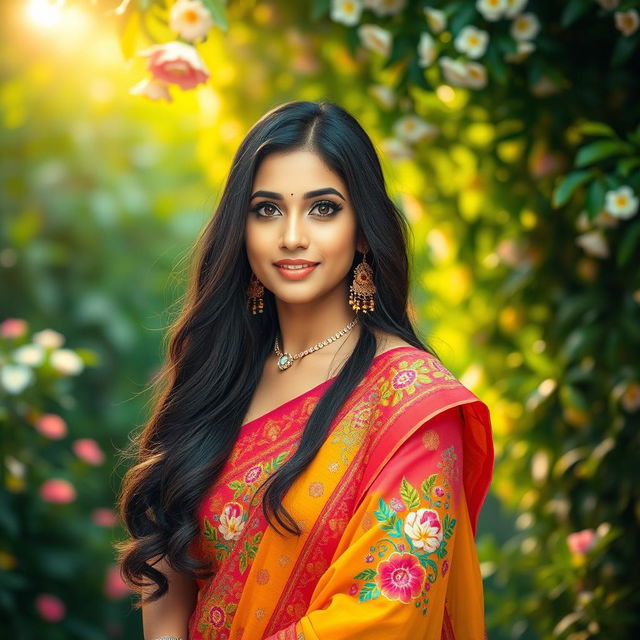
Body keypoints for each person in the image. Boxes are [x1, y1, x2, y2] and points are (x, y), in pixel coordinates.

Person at [116, 100, 494, 640]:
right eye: (267, 210)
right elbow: (168, 548)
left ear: (363, 229)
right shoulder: (220, 376)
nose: (292, 235)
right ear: (241, 227)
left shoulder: (411, 403)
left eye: (323, 209)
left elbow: (390, 610)